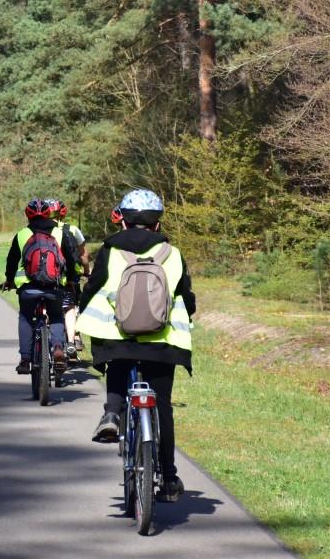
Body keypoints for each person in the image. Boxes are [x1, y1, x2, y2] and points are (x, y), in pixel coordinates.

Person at [76, 188, 195, 503]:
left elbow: (93, 288)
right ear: (157, 223)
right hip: (162, 344)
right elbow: (187, 296)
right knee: (164, 408)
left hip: (120, 340)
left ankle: (112, 415)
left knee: (118, 362)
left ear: (124, 222)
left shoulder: (110, 251)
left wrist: (80, 312)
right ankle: (168, 478)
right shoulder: (173, 254)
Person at [2, 198, 80, 375]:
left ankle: (25, 359)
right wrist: (72, 281)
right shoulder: (60, 234)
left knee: (25, 317)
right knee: (56, 316)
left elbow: (11, 261)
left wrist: (9, 280)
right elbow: (71, 259)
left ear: (27, 215)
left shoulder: (22, 234)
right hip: (54, 287)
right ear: (48, 214)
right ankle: (59, 348)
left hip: (28, 289)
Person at [47, 198, 90, 359]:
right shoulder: (72, 229)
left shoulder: (37, 230)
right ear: (62, 213)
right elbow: (83, 256)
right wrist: (87, 271)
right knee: (69, 307)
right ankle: (72, 341)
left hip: (45, 278)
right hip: (69, 277)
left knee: (47, 308)